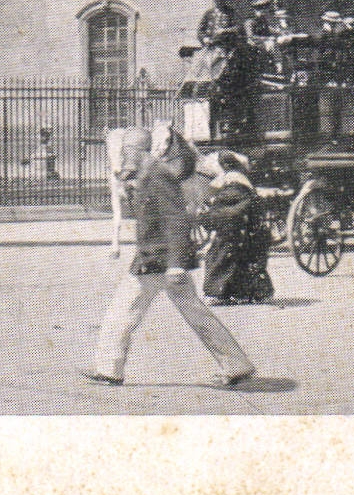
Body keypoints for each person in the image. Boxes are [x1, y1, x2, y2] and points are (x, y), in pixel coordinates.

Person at [85, 122, 256, 388]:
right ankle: (237, 365)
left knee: (122, 312)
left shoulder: (155, 173)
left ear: (139, 150)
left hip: (159, 261)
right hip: (159, 259)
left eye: (129, 149)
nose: (124, 155)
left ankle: (109, 370)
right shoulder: (145, 173)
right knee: (196, 313)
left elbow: (176, 219)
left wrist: (176, 265)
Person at [199, 156, 274, 305]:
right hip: (248, 234)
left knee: (220, 258)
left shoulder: (232, 189)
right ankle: (250, 292)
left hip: (234, 235)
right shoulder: (243, 186)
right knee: (245, 262)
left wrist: (204, 217)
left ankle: (218, 293)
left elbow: (226, 214)